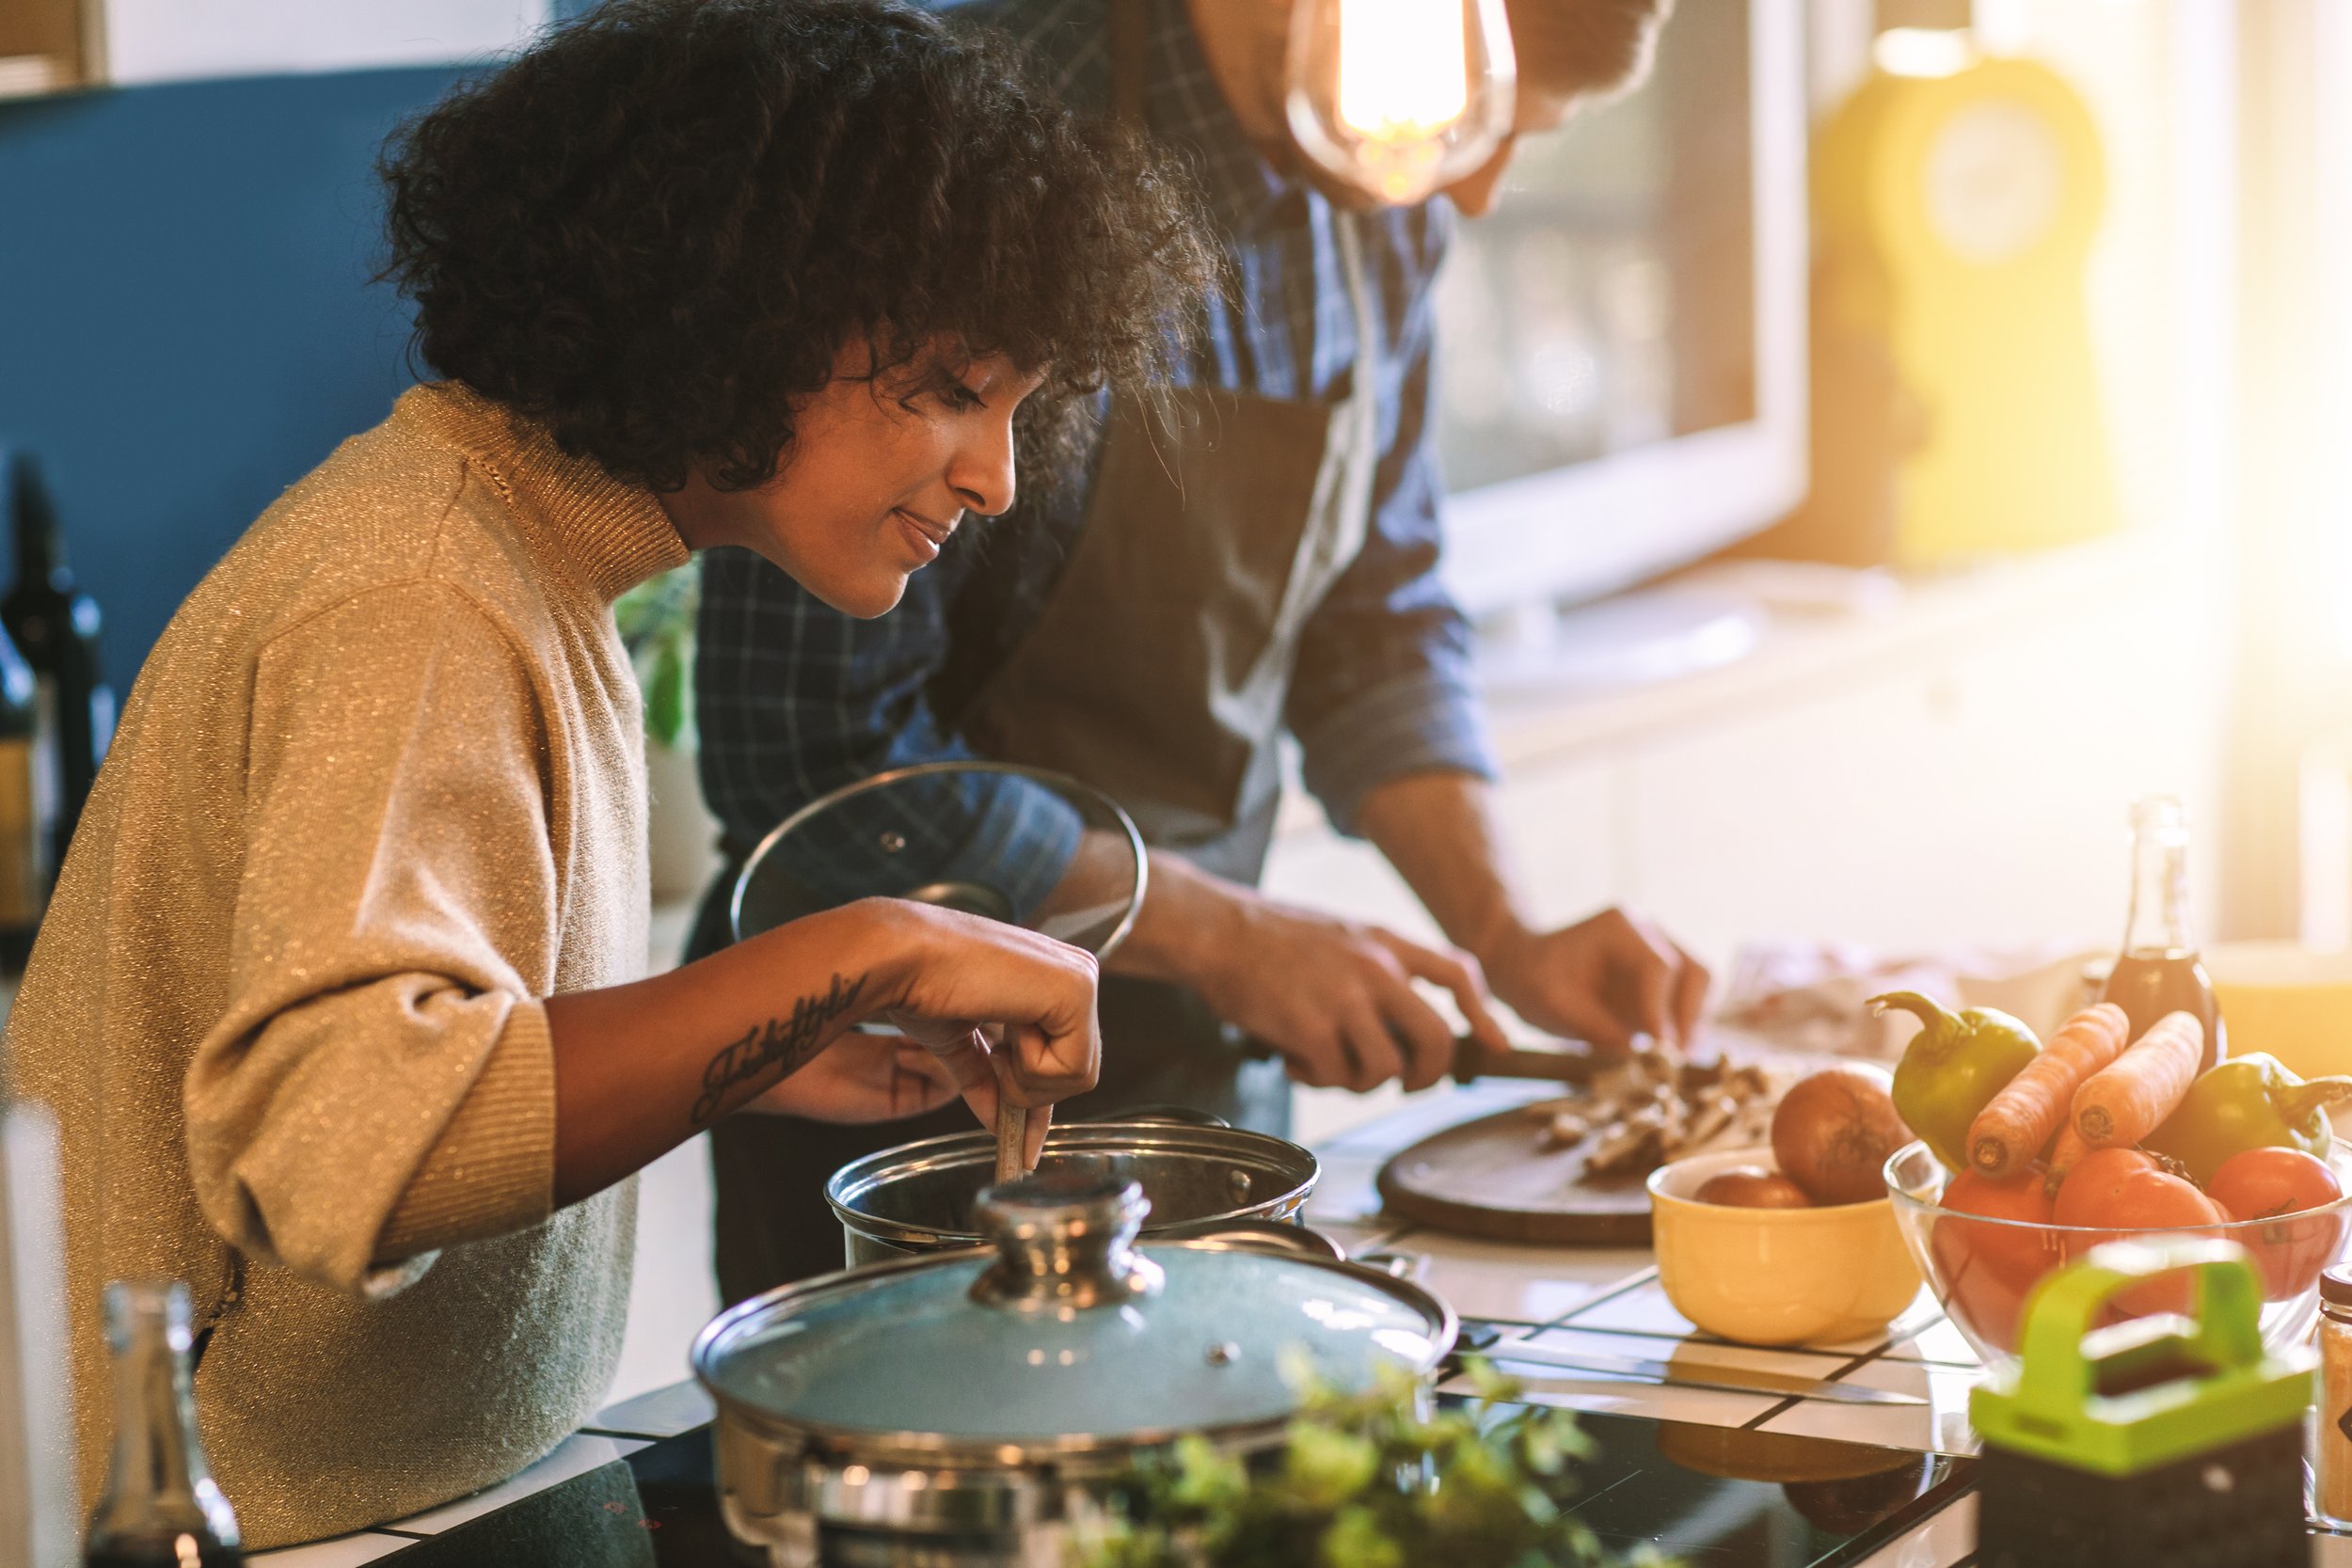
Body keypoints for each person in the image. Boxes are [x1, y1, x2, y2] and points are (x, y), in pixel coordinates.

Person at [4, 0, 1215, 1546]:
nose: (998, 477)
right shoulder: (419, 588)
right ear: (757, 306)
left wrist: (760, 1044)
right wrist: (864, 948)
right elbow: (346, 1142)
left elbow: (454, 1045)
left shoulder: (525, 558)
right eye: (961, 389)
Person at [691, 0, 1712, 1304]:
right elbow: (820, 767)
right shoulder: (959, 138)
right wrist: (1228, 938)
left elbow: (1375, 619)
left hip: (1197, 1082)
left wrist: (1507, 933)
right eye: (1484, 112)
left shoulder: (1383, 194)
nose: (1481, 186)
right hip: (904, 1115)